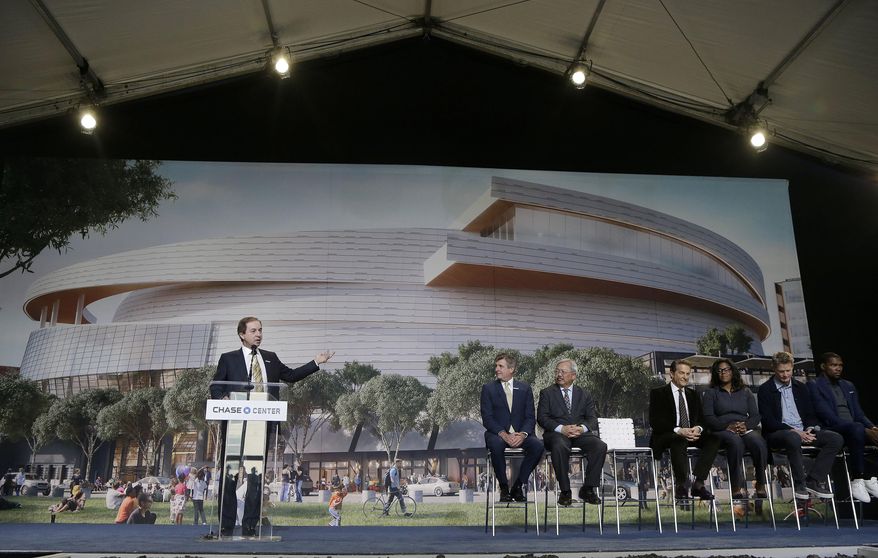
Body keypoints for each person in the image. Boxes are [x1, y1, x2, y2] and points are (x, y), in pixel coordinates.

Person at [210, 316, 333, 534]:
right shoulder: (228, 359)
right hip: (235, 425)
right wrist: (222, 399)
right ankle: (225, 526)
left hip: (260, 425)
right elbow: (217, 386)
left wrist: (316, 362)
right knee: (230, 476)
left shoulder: (270, 358)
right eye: (253, 330)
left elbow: (291, 376)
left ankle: (250, 526)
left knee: (256, 477)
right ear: (242, 334)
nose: (258, 334)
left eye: (260, 330)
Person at [757, 351, 844, 502]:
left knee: (835, 439)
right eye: (781, 371)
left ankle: (813, 480)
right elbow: (768, 421)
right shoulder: (765, 389)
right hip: (778, 433)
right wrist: (794, 431)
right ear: (774, 369)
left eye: (788, 371)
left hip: (803, 431)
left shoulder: (801, 387)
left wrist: (810, 428)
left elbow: (811, 414)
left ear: (792, 368)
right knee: (792, 437)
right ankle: (800, 484)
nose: (785, 375)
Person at [807, 352, 878, 502]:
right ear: (823, 366)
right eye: (833, 365)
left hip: (855, 429)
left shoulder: (848, 385)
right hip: (831, 428)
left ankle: (869, 477)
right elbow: (826, 415)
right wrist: (863, 429)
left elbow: (858, 413)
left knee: (869, 432)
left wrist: (872, 427)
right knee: (858, 429)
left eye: (840, 365)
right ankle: (857, 479)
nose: (838, 368)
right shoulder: (814, 385)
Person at [536, 359, 607, 506]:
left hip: (580, 434)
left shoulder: (585, 394)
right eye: (557, 371)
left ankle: (588, 489)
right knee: (560, 445)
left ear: (573, 375)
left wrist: (581, 428)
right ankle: (565, 491)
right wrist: (562, 429)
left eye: (563, 371)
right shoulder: (547, 393)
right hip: (556, 434)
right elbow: (542, 418)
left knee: (600, 446)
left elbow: (592, 419)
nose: (559, 374)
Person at [648, 359, 719, 501]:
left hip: (691, 435)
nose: (685, 377)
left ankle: (698, 484)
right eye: (681, 373)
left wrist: (697, 429)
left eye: (688, 374)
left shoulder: (693, 394)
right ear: (672, 374)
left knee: (714, 439)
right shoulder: (658, 393)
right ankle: (681, 485)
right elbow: (656, 422)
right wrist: (679, 430)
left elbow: (702, 420)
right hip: (669, 435)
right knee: (679, 440)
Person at [480, 353, 544, 503]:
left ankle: (518, 486)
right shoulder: (488, 389)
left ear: (512, 369)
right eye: (496, 366)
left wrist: (522, 434)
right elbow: (487, 418)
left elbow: (530, 417)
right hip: (497, 434)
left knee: (538, 446)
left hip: (521, 433)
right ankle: (503, 488)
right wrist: (503, 434)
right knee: (496, 444)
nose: (497, 369)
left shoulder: (525, 388)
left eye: (500, 366)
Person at [701, 359, 769, 500]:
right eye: (719, 370)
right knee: (735, 441)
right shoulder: (711, 393)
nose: (723, 373)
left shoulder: (745, 391)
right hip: (721, 430)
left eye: (726, 369)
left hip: (743, 428)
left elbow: (756, 416)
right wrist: (726, 426)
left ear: (732, 371)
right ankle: (736, 487)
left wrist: (746, 426)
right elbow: (708, 418)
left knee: (758, 442)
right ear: (715, 374)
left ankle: (761, 484)